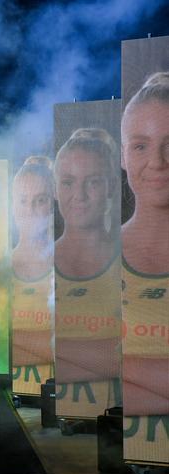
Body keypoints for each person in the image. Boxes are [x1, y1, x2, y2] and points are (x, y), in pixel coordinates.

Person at [53, 128, 121, 417]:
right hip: (65, 413)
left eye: (92, 182)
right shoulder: (39, 264)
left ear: (112, 186)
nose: (78, 195)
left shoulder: (132, 262)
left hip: (119, 414)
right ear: (56, 189)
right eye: (68, 182)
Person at [120, 72, 169, 419]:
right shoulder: (101, 254)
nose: (158, 162)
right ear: (123, 155)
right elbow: (61, 353)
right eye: (141, 145)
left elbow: (93, 361)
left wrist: (122, 367)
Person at [10, 157, 54, 393]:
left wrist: (11, 340)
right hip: (6, 399)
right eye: (23, 201)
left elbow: (74, 347)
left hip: (57, 405)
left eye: (40, 200)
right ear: (13, 205)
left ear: (53, 204)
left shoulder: (70, 266)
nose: (31, 210)